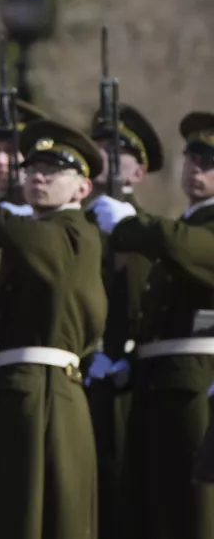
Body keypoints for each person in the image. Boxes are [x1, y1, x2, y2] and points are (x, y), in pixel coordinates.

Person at [0, 119, 105, 539]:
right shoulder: (29, 234)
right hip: (11, 387)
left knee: (40, 513)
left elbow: (30, 241)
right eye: (33, 169)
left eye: (54, 170)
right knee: (4, 512)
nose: (39, 177)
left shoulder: (74, 232)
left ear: (83, 188)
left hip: (46, 393)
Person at [90, 111, 214, 539]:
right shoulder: (186, 222)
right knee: (157, 508)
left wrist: (129, 224)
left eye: (209, 161)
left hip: (195, 384)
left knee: (195, 510)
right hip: (157, 380)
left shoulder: (188, 231)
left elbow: (186, 249)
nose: (197, 167)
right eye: (193, 158)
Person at [81, 103, 164, 539]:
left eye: (118, 152)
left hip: (131, 378)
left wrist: (127, 350)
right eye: (99, 150)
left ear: (138, 173)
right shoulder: (77, 224)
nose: (105, 159)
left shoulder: (150, 230)